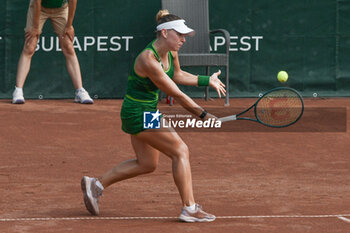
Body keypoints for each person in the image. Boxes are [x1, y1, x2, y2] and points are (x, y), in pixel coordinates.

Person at [81, 9, 226, 222]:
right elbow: (176, 94)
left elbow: (177, 75)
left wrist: (207, 80)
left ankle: (96, 185)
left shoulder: (171, 51)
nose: (184, 39)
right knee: (180, 150)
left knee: (147, 163)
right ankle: (190, 208)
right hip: (139, 113)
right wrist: (204, 115)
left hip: (145, 111)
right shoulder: (148, 59)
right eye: (180, 35)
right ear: (165, 33)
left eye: (185, 35)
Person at [12, 0, 93, 104]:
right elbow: (37, 2)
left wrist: (69, 26)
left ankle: (79, 91)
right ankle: (18, 90)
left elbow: (73, 1)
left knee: (68, 46)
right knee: (30, 46)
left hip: (61, 9)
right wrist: (35, 28)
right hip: (39, 9)